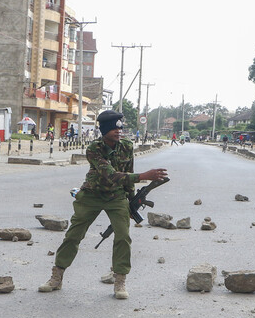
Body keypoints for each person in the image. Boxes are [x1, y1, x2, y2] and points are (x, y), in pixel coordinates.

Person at [39, 110, 167, 299]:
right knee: (73, 235)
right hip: (92, 194)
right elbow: (111, 174)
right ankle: (56, 277)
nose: (119, 131)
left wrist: (132, 201)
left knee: (123, 236)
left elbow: (127, 172)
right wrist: (143, 176)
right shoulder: (94, 149)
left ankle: (120, 280)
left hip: (116, 197)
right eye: (114, 128)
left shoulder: (126, 146)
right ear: (104, 130)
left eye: (120, 128)